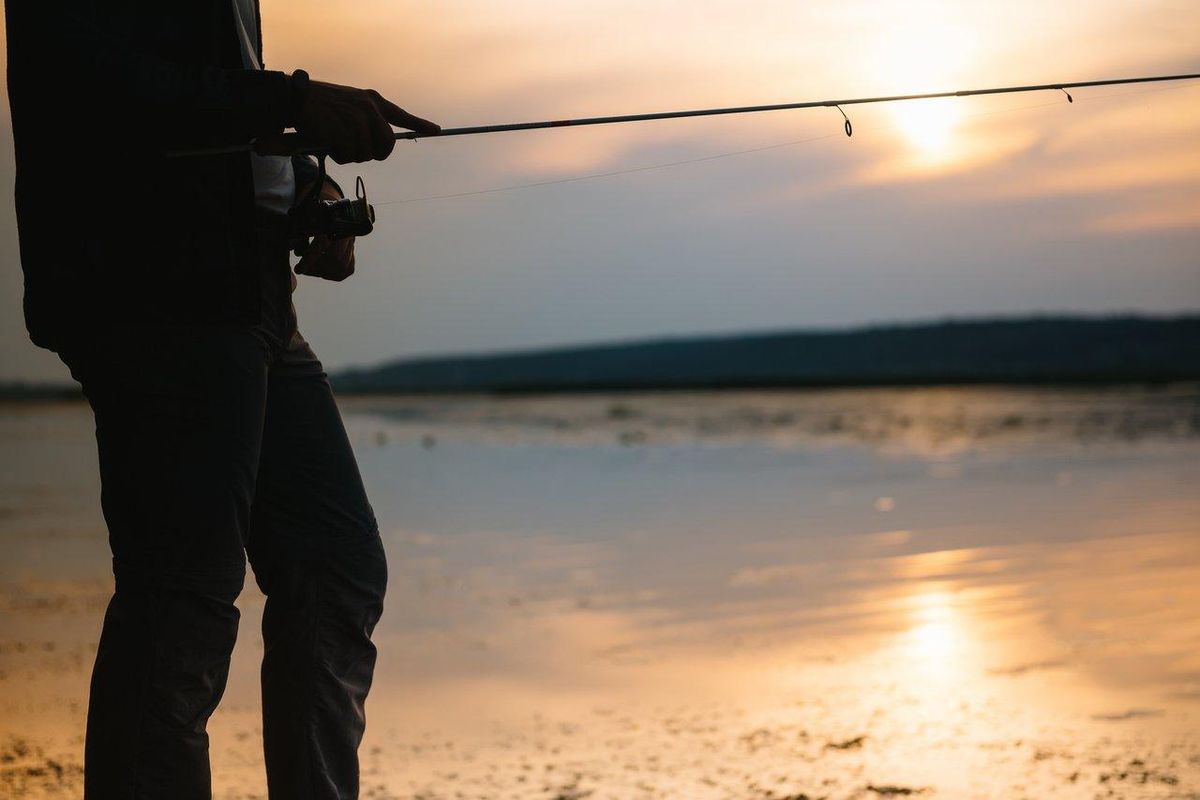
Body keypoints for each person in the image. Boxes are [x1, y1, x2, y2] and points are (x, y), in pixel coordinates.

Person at [4, 1, 439, 797]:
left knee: (335, 569)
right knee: (181, 602)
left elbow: (221, 91)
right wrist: (295, 102)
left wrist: (306, 185)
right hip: (155, 297)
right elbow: (83, 77)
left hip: (254, 293)